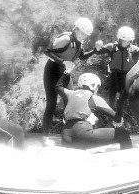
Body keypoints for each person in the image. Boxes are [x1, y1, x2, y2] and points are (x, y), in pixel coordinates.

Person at [42, 17, 102, 146]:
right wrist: (63, 61)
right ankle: (45, 138)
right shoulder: (65, 39)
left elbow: (82, 57)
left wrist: (95, 50)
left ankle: (68, 136)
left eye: (85, 34)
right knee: (51, 104)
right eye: (81, 32)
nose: (83, 36)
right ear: (75, 29)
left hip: (65, 71)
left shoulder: (79, 43)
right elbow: (47, 51)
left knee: (71, 102)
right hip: (52, 70)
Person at [55, 72, 133, 150]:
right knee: (124, 134)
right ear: (93, 85)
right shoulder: (95, 98)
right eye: (97, 86)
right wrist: (120, 104)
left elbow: (58, 87)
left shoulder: (70, 93)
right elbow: (117, 119)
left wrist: (65, 74)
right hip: (83, 135)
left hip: (65, 137)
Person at [97, 26, 139, 108]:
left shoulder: (134, 49)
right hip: (115, 74)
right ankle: (112, 114)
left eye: (128, 41)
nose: (125, 43)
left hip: (127, 75)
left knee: (125, 95)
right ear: (119, 39)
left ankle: (122, 113)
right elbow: (98, 51)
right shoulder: (112, 47)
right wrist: (98, 46)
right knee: (112, 94)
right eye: (123, 40)